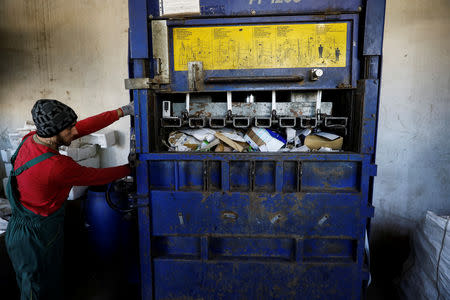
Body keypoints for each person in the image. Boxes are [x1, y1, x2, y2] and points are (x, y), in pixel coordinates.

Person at [5, 99, 134, 300]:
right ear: (53, 133)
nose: (75, 132)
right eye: (69, 129)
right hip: (34, 238)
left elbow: (82, 126)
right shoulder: (56, 166)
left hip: (32, 228)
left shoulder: (32, 138)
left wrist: (123, 111)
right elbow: (95, 176)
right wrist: (129, 168)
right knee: (35, 291)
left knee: (49, 285)